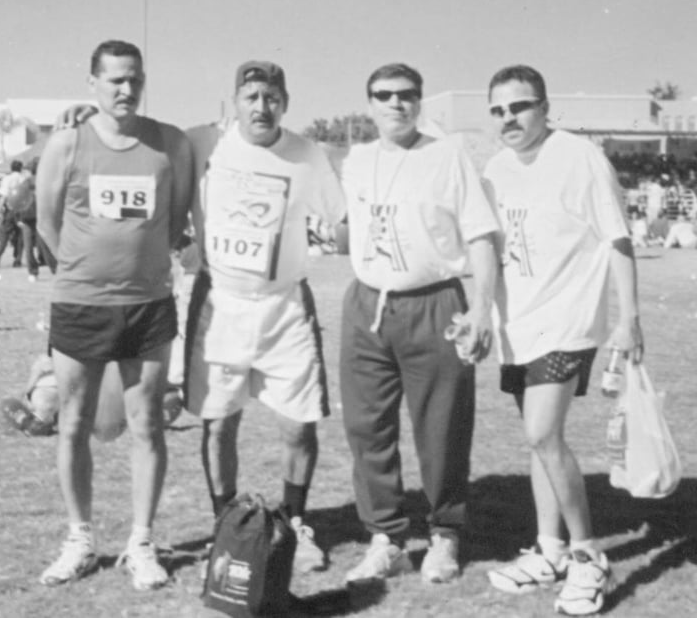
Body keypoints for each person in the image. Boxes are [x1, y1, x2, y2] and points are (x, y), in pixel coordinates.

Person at [483, 65, 643, 616]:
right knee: (537, 442)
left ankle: (586, 556)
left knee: (542, 432)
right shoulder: (496, 169)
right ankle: (548, 550)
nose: (509, 118)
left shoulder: (580, 158)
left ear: (545, 108)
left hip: (569, 319)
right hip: (518, 324)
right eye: (499, 110)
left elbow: (618, 239)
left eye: (520, 107)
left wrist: (630, 318)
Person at [35, 40, 193, 590]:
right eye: (114, 80)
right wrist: (87, 271)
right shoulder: (66, 143)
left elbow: (174, 224)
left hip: (148, 307)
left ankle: (141, 543)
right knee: (73, 424)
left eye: (135, 79)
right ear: (92, 83)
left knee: (147, 424)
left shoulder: (169, 142)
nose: (126, 90)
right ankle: (79, 538)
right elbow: (48, 223)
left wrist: (137, 269)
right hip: (81, 303)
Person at [338, 63, 499, 585]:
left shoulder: (445, 154)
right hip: (368, 304)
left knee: (441, 428)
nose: (395, 104)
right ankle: (385, 537)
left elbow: (480, 234)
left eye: (406, 95)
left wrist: (480, 308)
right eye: (383, 96)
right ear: (369, 104)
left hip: (433, 303)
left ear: (419, 101)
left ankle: (444, 534)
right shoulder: (356, 161)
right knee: (367, 427)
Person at [184, 61, 346, 574]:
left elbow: (341, 219)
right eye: (251, 96)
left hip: (285, 306)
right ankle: (224, 527)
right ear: (235, 101)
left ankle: (295, 524)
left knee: (298, 427)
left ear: (285, 102)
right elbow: (143, 144)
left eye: (271, 97)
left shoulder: (306, 153)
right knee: (218, 424)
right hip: (221, 303)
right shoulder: (201, 145)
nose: (261, 106)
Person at [0, 160, 26, 268]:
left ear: (11, 168)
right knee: (19, 237)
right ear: (21, 168)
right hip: (21, 211)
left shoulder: (7, 179)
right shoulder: (24, 179)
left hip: (9, 210)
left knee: (3, 237)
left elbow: (3, 197)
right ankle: (17, 260)